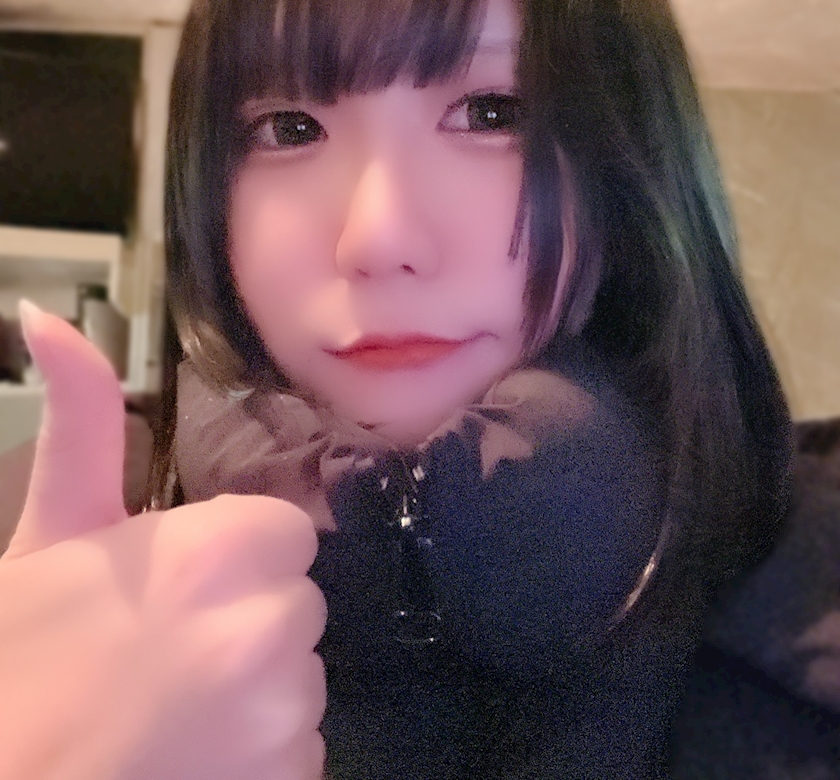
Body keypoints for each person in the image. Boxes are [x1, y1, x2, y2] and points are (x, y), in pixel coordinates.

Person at [0, 0, 792, 778]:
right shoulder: (38, 536)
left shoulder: (807, 583)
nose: (378, 238)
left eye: (492, 113)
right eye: (290, 129)